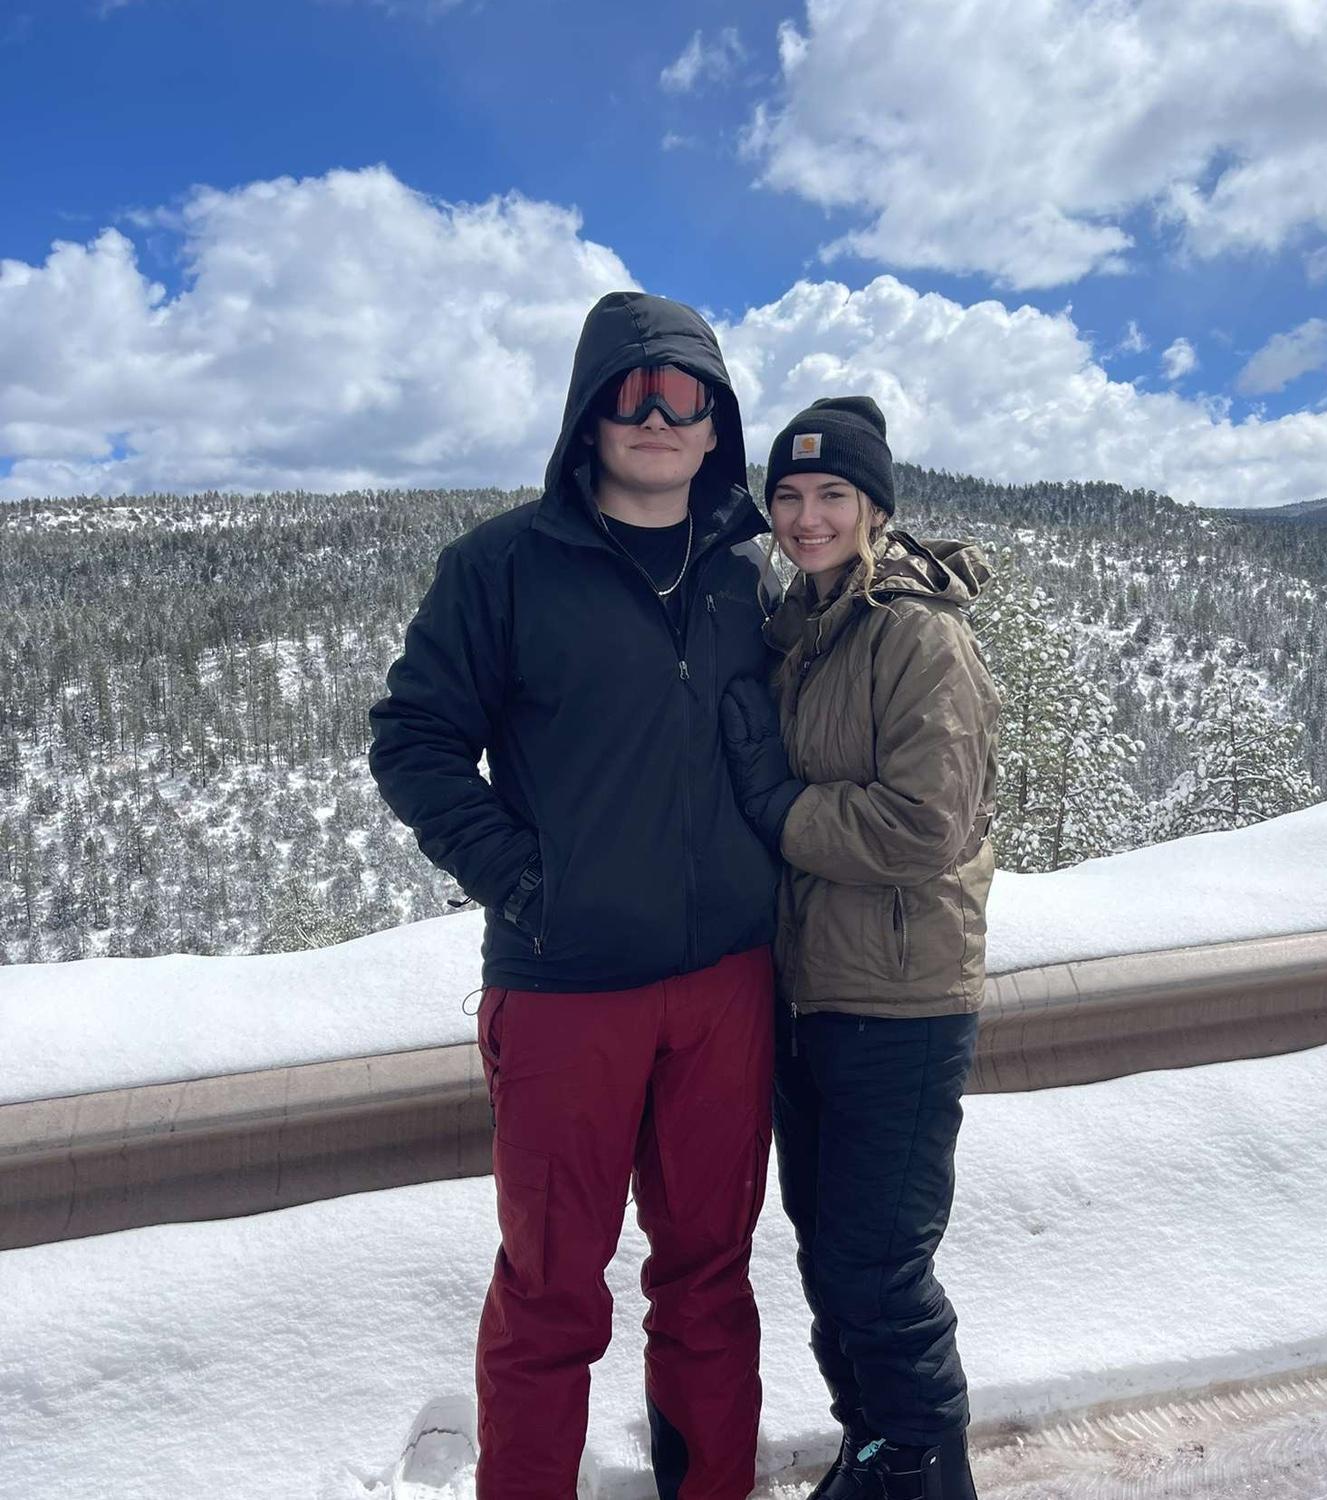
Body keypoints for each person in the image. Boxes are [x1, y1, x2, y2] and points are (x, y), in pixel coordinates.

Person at [368, 291, 781, 1500]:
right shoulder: (502, 568)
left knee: (709, 1276)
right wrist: (521, 881)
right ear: (589, 413)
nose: (657, 415)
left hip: (727, 982)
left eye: (684, 393)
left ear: (716, 422)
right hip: (565, 993)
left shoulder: (748, 574)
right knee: (550, 1293)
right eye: (631, 391)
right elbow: (413, 741)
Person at [719, 397, 1000, 1500]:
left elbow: (925, 824)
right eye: (788, 496)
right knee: (830, 1257)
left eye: (832, 493)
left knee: (876, 1268)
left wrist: (778, 807)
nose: (807, 516)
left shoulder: (918, 636)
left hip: (903, 998)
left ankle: (927, 1471)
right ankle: (874, 1453)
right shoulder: (800, 627)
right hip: (811, 992)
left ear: (875, 507)